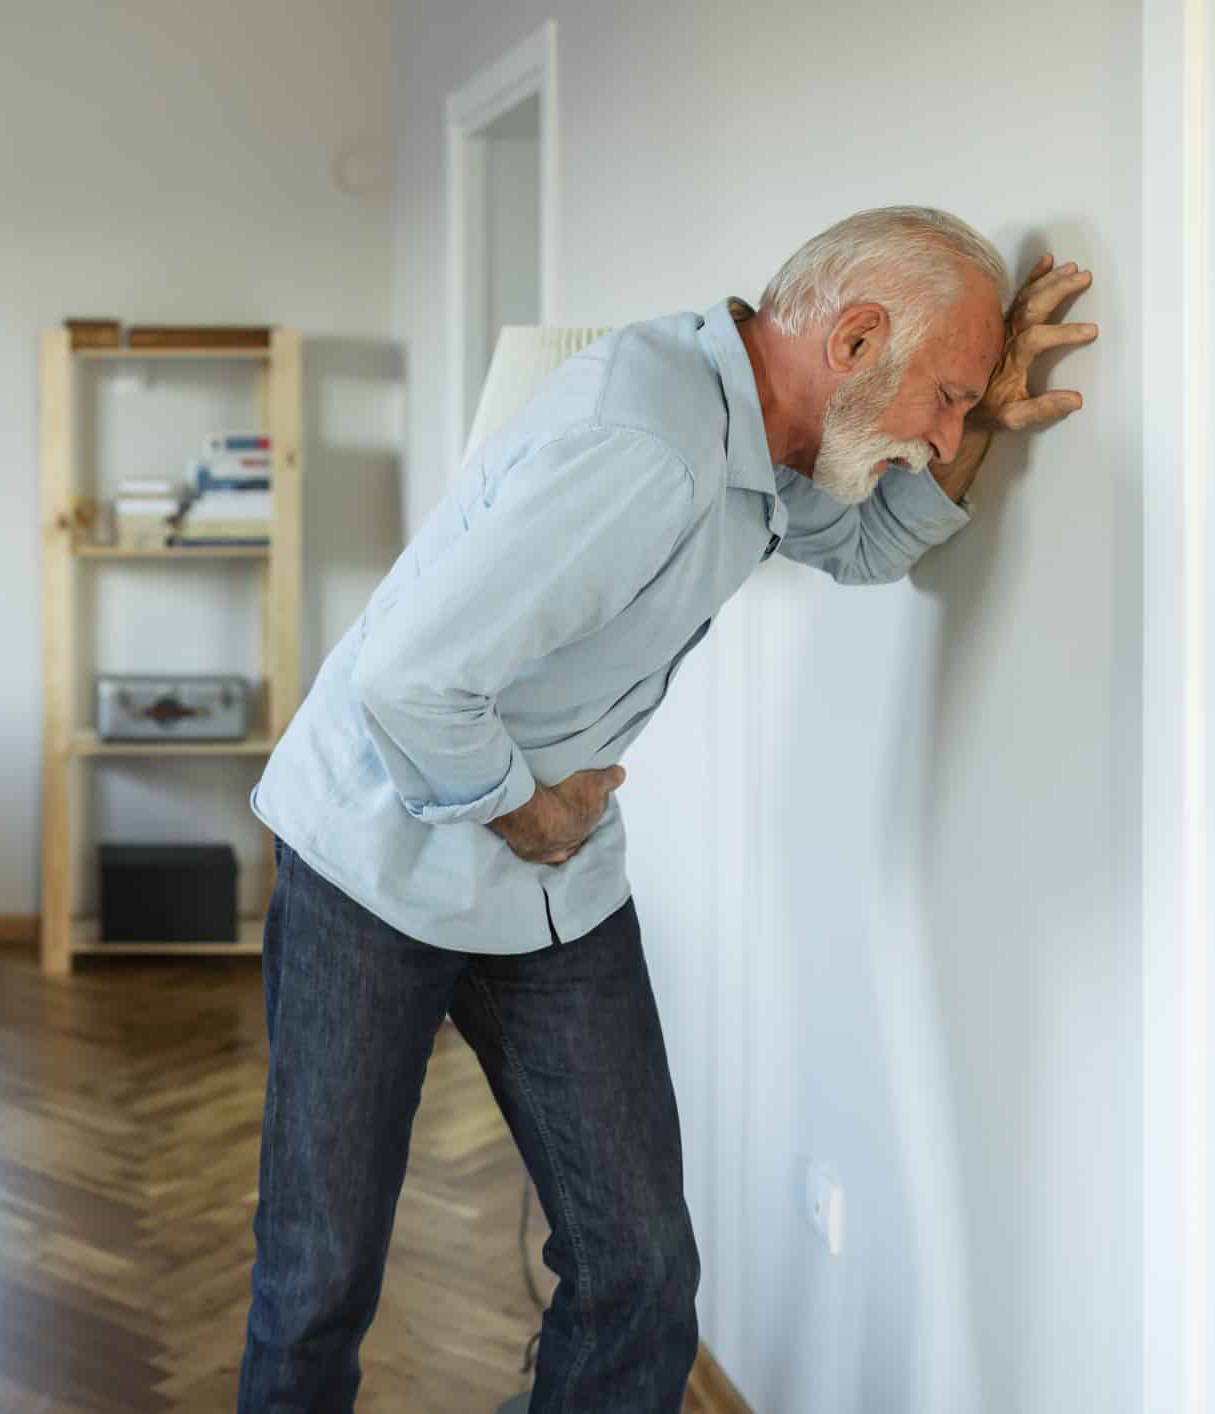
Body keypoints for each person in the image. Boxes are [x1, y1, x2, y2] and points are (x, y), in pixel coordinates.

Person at [237, 207, 1098, 1413]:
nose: (946, 429)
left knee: (639, 1268)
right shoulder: (646, 448)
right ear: (852, 340)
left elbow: (861, 550)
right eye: (947, 397)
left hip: (555, 882)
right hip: (379, 857)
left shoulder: (764, 431)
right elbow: (406, 685)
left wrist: (979, 430)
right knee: (318, 1279)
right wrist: (523, 811)